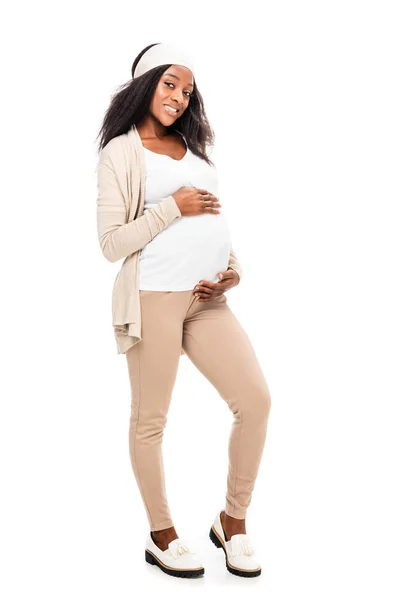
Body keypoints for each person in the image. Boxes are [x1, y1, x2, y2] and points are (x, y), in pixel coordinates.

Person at [96, 42, 272, 579]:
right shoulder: (121, 153)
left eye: (188, 89)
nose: (179, 96)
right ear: (146, 82)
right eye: (170, 83)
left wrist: (233, 269)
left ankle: (231, 522)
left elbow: (212, 221)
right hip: (152, 299)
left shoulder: (193, 150)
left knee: (256, 401)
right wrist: (175, 205)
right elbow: (110, 243)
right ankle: (162, 533)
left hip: (207, 300)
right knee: (151, 421)